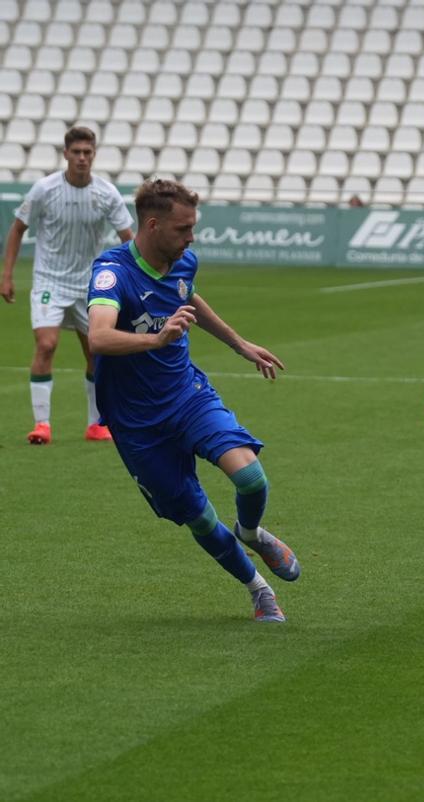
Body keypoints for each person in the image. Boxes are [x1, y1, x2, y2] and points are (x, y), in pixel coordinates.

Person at [86, 178, 300, 623]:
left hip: (186, 395)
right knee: (200, 518)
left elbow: (189, 298)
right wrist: (157, 339)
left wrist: (239, 343)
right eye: (183, 229)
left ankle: (252, 531)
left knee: (252, 479)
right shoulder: (112, 273)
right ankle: (256, 588)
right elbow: (99, 336)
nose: (192, 238)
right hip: (137, 424)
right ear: (152, 225)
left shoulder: (183, 262)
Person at [1, 126, 134, 445]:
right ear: (66, 154)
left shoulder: (107, 193)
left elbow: (129, 241)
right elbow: (18, 229)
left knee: (96, 354)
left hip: (90, 285)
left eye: (88, 152)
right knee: (46, 344)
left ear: (94, 155)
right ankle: (42, 424)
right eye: (77, 152)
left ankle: (95, 424)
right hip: (50, 280)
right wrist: (6, 275)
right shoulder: (44, 189)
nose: (82, 158)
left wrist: (132, 284)